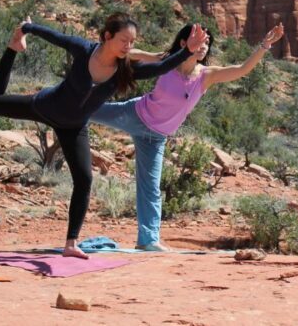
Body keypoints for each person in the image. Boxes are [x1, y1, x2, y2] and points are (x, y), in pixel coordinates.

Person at [0, 13, 208, 258]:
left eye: (131, 43)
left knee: (84, 179)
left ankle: (71, 244)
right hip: (45, 107)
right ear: (107, 36)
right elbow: (56, 36)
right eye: (123, 40)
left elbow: (161, 67)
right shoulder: (84, 49)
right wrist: (27, 28)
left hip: (74, 127)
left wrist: (188, 52)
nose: (128, 47)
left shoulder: (125, 71)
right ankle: (12, 49)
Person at [90, 22, 284, 251]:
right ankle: (49, 106)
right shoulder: (166, 61)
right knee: (85, 110)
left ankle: (148, 240)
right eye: (200, 40)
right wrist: (110, 50)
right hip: (135, 114)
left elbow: (241, 69)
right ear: (184, 43)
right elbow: (127, 54)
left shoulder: (205, 76)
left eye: (208, 42)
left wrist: (264, 45)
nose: (205, 46)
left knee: (150, 188)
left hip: (155, 137)